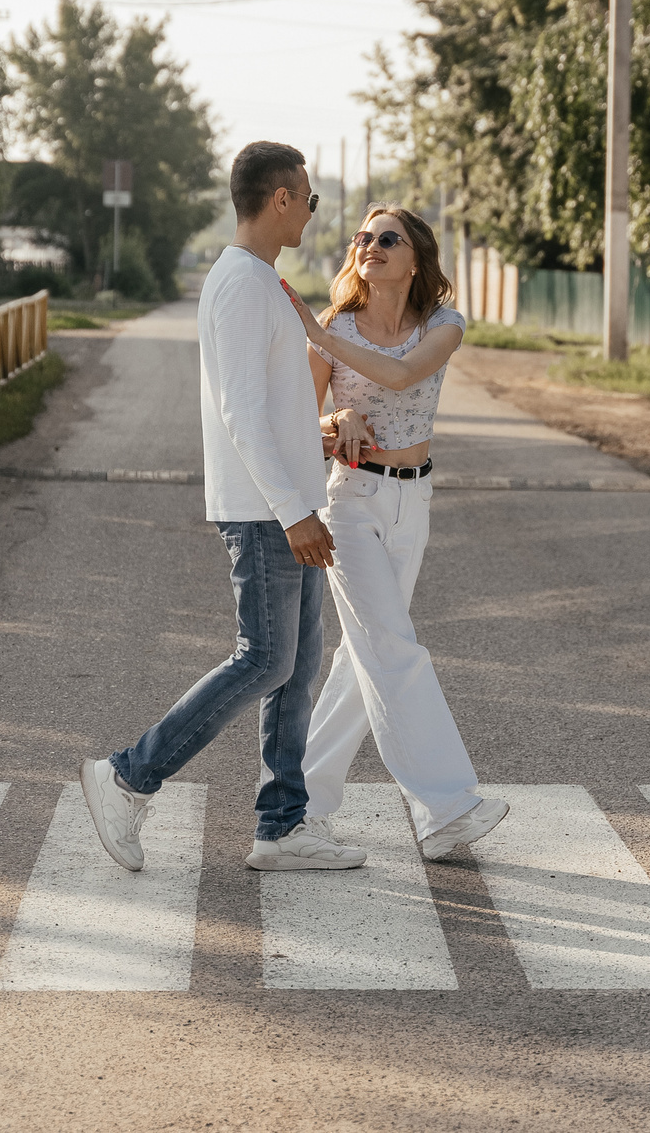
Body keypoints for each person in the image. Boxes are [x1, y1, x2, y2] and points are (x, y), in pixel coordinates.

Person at [81, 142, 368, 874]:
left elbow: (271, 406)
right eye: (307, 197)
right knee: (264, 660)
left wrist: (320, 437)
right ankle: (128, 776)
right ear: (280, 198)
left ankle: (282, 827)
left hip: (290, 502)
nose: (312, 211)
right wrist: (292, 511)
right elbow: (240, 412)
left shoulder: (264, 281)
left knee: (295, 669)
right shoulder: (240, 283)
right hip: (267, 510)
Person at [284, 202, 509, 862]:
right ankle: (446, 805)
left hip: (415, 502)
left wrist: (317, 336)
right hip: (352, 503)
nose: (371, 245)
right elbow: (295, 425)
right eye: (363, 237)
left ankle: (297, 806)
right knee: (392, 647)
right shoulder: (336, 326)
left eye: (388, 238)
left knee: (364, 661)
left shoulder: (442, 324)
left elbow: (405, 374)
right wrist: (337, 420)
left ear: (415, 259)